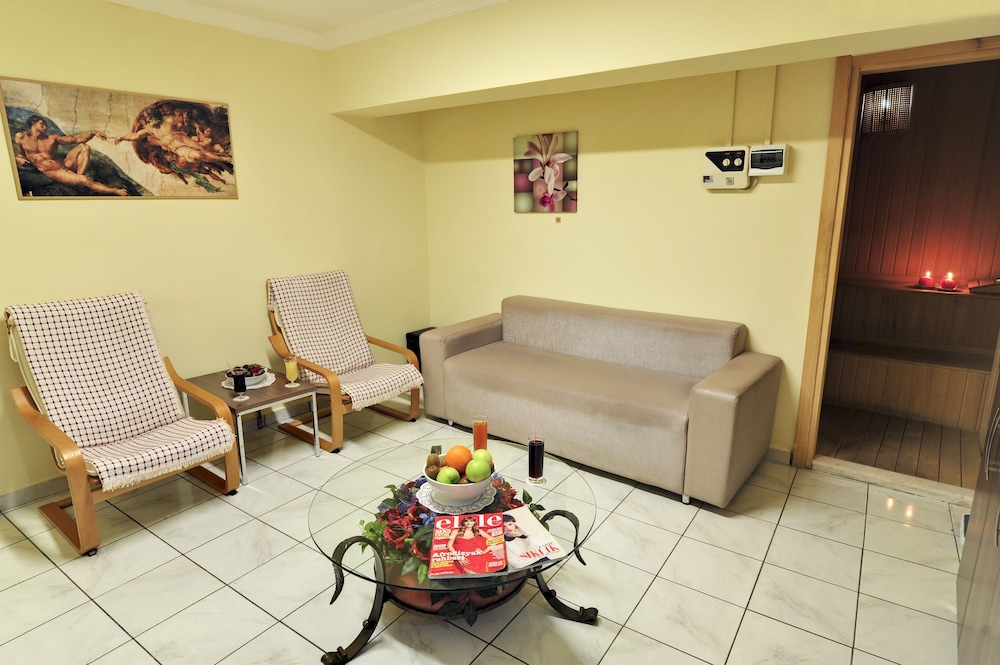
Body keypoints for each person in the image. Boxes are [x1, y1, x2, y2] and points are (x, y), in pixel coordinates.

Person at [13, 116, 127, 196]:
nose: (45, 127)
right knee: (85, 180)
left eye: (45, 125)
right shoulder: (21, 137)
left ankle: (77, 178)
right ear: (33, 124)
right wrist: (18, 159)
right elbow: (20, 155)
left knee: (84, 147)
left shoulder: (52, 138)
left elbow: (76, 139)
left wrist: (92, 133)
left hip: (64, 163)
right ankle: (115, 191)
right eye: (42, 124)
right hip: (54, 172)